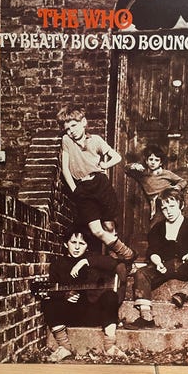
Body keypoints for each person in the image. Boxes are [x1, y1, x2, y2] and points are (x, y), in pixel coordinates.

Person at [124, 189, 188, 330]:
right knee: (141, 273)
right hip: (165, 267)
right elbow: (153, 251)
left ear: (181, 205)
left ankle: (185, 292)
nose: (169, 211)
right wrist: (158, 262)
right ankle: (146, 316)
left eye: (172, 206)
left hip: (186, 266)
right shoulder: (158, 228)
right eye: (164, 208)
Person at [57, 104, 136, 262]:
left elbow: (117, 157)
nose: (71, 131)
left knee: (109, 226)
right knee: (96, 230)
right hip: (82, 188)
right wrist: (75, 190)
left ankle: (116, 261)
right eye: (67, 129)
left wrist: (105, 165)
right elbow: (65, 169)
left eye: (74, 126)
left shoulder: (96, 140)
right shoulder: (66, 140)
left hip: (100, 184)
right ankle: (128, 254)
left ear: (83, 122)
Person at [40, 225, 127, 362]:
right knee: (48, 301)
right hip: (70, 314)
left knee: (110, 296)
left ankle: (110, 346)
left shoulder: (92, 259)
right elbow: (52, 290)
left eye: (81, 244)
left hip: (93, 313)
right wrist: (65, 295)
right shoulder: (57, 264)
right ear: (66, 244)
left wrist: (85, 261)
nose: (76, 247)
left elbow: (113, 263)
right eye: (73, 242)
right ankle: (64, 347)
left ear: (87, 247)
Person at [124, 145, 187, 225]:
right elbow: (126, 169)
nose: (153, 162)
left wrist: (177, 187)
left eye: (156, 160)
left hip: (168, 200)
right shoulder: (142, 174)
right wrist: (134, 166)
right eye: (151, 159)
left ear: (161, 163)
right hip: (156, 203)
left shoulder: (166, 173)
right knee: (156, 224)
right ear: (146, 161)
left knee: (175, 220)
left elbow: (183, 181)